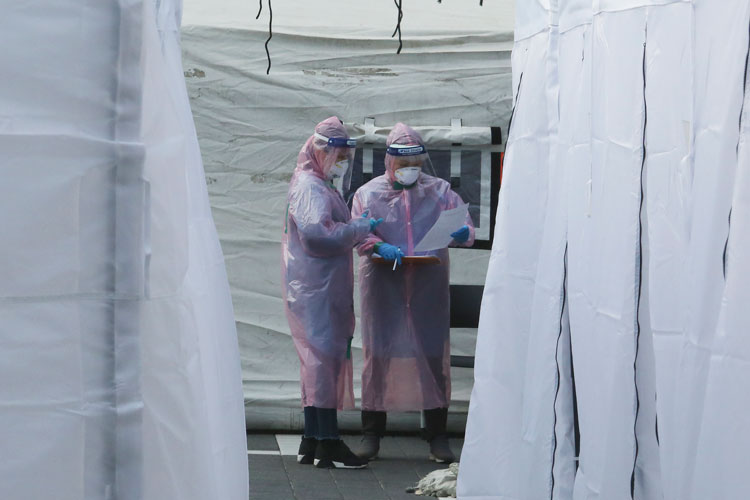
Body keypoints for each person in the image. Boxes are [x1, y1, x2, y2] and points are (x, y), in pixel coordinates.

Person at [351, 123, 475, 463]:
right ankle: (371, 435)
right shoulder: (369, 194)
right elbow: (359, 233)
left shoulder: (439, 190)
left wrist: (464, 231)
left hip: (427, 283)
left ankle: (437, 436)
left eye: (416, 163)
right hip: (383, 282)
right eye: (404, 164)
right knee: (378, 355)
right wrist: (378, 245)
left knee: (433, 355)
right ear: (390, 161)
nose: (411, 171)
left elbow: (463, 226)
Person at [281, 117, 383, 469]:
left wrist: (354, 227)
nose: (342, 162)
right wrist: (359, 227)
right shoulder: (311, 187)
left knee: (315, 361)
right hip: (318, 286)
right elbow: (317, 235)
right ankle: (328, 440)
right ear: (321, 151)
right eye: (338, 155)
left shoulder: (317, 184)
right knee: (323, 362)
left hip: (314, 284)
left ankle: (311, 438)